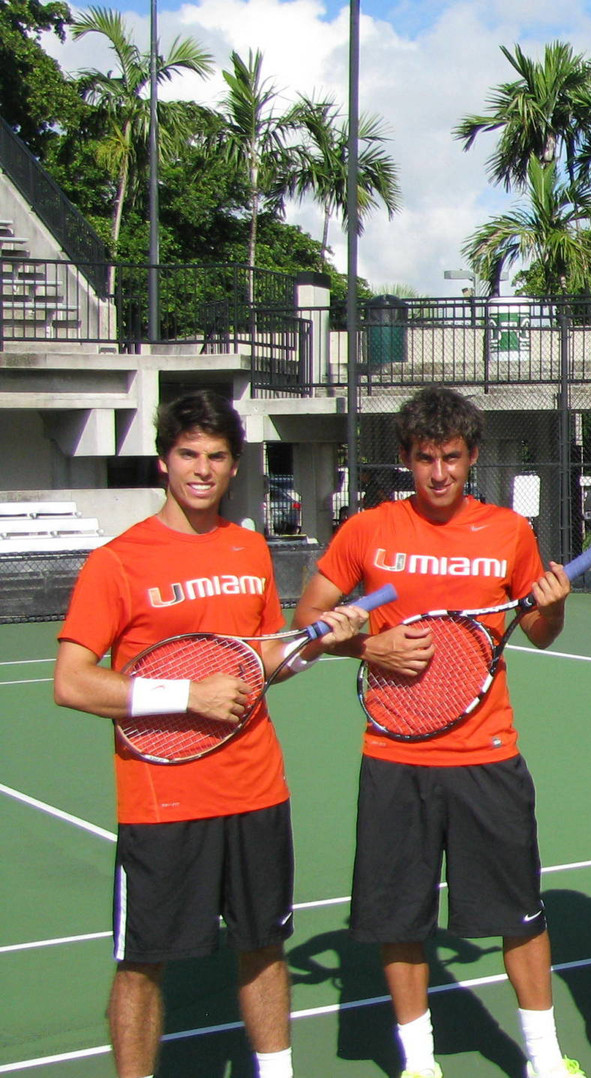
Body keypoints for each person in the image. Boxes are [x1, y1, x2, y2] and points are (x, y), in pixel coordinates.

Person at [53, 390, 367, 1078]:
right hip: (162, 802)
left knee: (263, 946)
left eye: (216, 457)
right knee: (142, 963)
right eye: (188, 454)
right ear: (165, 462)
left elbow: (262, 663)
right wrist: (185, 696)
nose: (201, 468)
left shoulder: (250, 548)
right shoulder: (118, 562)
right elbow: (73, 681)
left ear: (233, 468)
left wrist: (327, 641)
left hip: (256, 790)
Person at [294, 385, 584, 1078]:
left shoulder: (509, 532)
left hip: (488, 752)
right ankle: (419, 1062)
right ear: (405, 458)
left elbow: (539, 633)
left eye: (452, 458)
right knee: (401, 922)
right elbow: (310, 623)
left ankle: (544, 1060)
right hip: (395, 754)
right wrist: (370, 649)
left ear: (472, 457)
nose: (439, 473)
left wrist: (551, 605)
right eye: (425, 458)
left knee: (520, 915)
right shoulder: (369, 531)